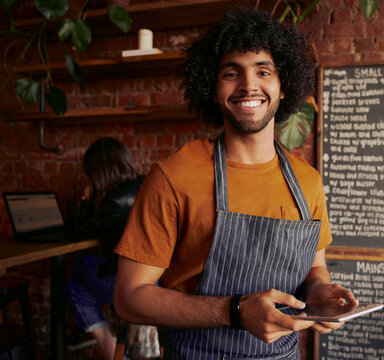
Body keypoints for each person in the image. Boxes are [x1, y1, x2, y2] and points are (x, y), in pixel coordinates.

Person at [113, 7, 357, 359]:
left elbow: (314, 266)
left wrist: (319, 291)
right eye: (231, 73)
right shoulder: (174, 176)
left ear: (283, 86)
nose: (248, 85)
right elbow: (129, 297)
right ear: (212, 90)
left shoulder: (308, 181)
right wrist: (234, 311)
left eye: (263, 71)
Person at [65, 137, 144, 360]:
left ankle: (111, 352)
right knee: (80, 281)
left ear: (98, 172)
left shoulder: (113, 202)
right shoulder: (144, 184)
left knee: (75, 283)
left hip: (132, 282)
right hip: (155, 275)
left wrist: (85, 197)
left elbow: (78, 232)